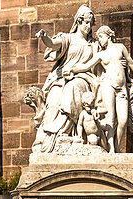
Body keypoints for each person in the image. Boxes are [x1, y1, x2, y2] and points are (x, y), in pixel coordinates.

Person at [63, 25, 133, 152]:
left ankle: (115, 146)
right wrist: (71, 69)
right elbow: (85, 66)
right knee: (110, 118)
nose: (100, 40)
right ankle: (112, 149)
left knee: (122, 120)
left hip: (122, 88)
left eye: (101, 37)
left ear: (108, 35)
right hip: (108, 85)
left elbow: (131, 62)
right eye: (99, 38)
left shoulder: (120, 47)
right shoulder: (101, 55)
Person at [32, 5, 98, 152]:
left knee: (71, 89)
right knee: (54, 97)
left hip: (83, 78)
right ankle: (47, 141)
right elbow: (53, 44)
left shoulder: (93, 44)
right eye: (85, 22)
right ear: (78, 21)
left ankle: (65, 133)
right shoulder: (68, 38)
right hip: (61, 78)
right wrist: (44, 37)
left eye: (90, 23)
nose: (88, 26)